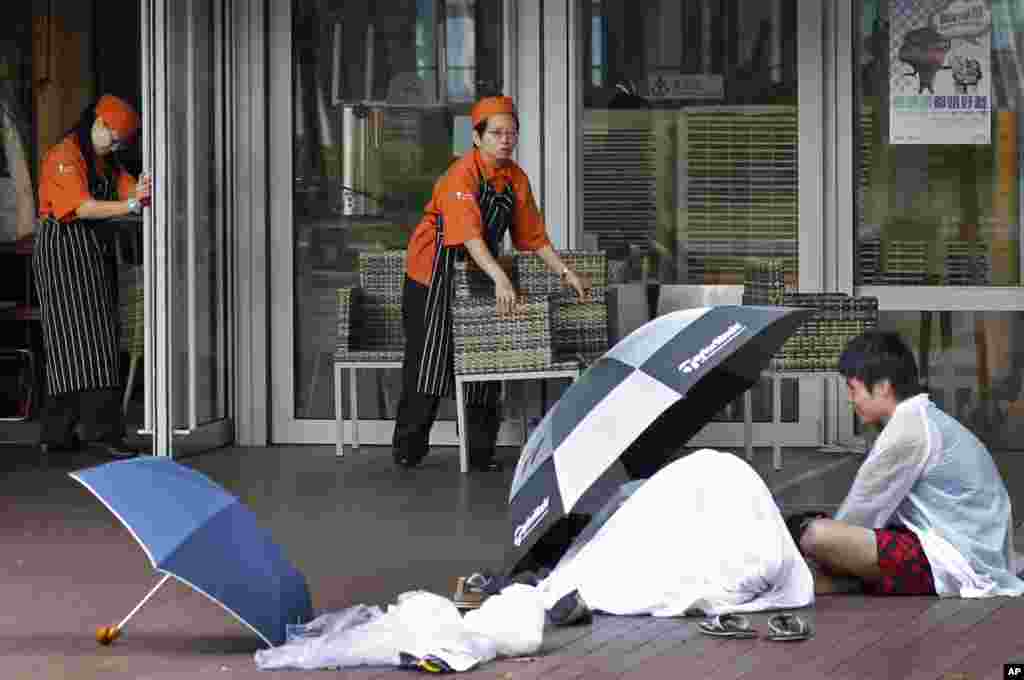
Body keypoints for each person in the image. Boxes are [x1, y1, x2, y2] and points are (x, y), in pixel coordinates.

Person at [393, 96, 589, 472]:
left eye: (511, 133)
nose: (506, 140)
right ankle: (409, 450)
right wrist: (501, 278)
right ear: (477, 137)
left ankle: (481, 453)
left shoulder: (515, 178)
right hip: (432, 273)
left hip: (479, 271)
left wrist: (566, 273)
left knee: (485, 355)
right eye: (497, 133)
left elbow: (532, 236)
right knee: (428, 360)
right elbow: (467, 234)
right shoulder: (460, 176)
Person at [796, 330, 1024, 598]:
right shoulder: (920, 417)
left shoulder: (908, 429)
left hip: (959, 562)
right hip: (968, 550)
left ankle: (833, 581)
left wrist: (819, 549)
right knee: (813, 532)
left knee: (817, 535)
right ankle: (840, 582)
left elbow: (858, 515)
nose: (851, 399)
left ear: (882, 386)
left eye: (853, 388)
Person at [33, 95, 152, 457]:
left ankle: (57, 433)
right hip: (62, 252)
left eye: (121, 143)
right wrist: (131, 205)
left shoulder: (102, 161)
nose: (115, 147)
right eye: (114, 139)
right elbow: (80, 206)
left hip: (89, 252)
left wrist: (143, 190)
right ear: (98, 124)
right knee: (85, 341)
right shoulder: (64, 156)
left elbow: (127, 187)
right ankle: (103, 431)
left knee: (80, 342)